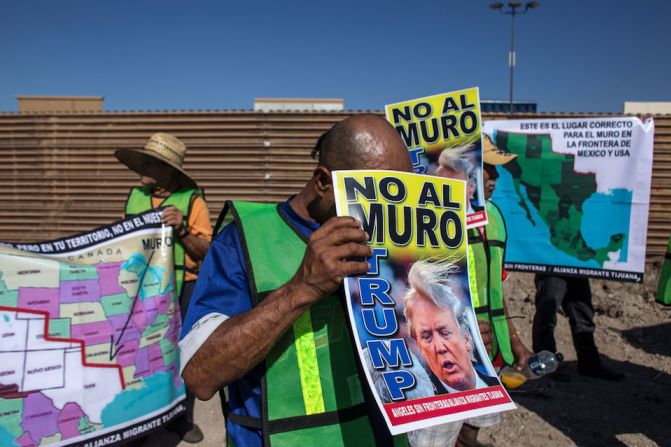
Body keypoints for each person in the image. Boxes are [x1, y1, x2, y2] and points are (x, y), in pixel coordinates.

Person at [179, 115, 414, 447]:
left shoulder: (398, 242)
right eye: (376, 193)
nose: (391, 210)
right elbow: (200, 374)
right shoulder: (245, 240)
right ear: (322, 182)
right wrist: (301, 289)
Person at [434, 135, 533, 447]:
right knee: (446, 432)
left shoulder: (494, 220)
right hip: (449, 353)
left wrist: (515, 342)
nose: (496, 177)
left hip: (490, 349)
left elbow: (496, 290)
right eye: (489, 168)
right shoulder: (432, 221)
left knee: (474, 426)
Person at [115, 132, 212, 443]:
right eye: (144, 160)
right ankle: (144, 415)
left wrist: (182, 229)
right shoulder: (135, 196)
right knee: (143, 351)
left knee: (181, 354)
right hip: (143, 289)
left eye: (151, 162)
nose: (142, 166)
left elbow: (206, 252)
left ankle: (183, 418)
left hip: (183, 287)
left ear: (169, 170)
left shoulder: (192, 200)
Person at [403, 259, 499, 393]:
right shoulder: (422, 400)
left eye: (445, 332)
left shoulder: (496, 387)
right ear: (419, 347)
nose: (440, 347)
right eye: (426, 337)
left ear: (466, 337)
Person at [532, 274, 624, 381]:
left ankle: (589, 364)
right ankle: (545, 365)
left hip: (577, 268)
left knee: (583, 314)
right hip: (551, 267)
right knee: (547, 315)